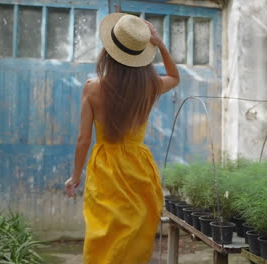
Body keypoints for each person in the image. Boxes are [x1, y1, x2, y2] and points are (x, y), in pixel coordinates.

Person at [64, 13, 180, 264]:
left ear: (107, 51)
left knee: (103, 232)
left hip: (105, 168)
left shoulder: (92, 87)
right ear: (141, 56)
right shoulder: (149, 86)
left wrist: (75, 177)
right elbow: (175, 77)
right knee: (135, 234)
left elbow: (83, 140)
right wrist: (160, 44)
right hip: (138, 167)